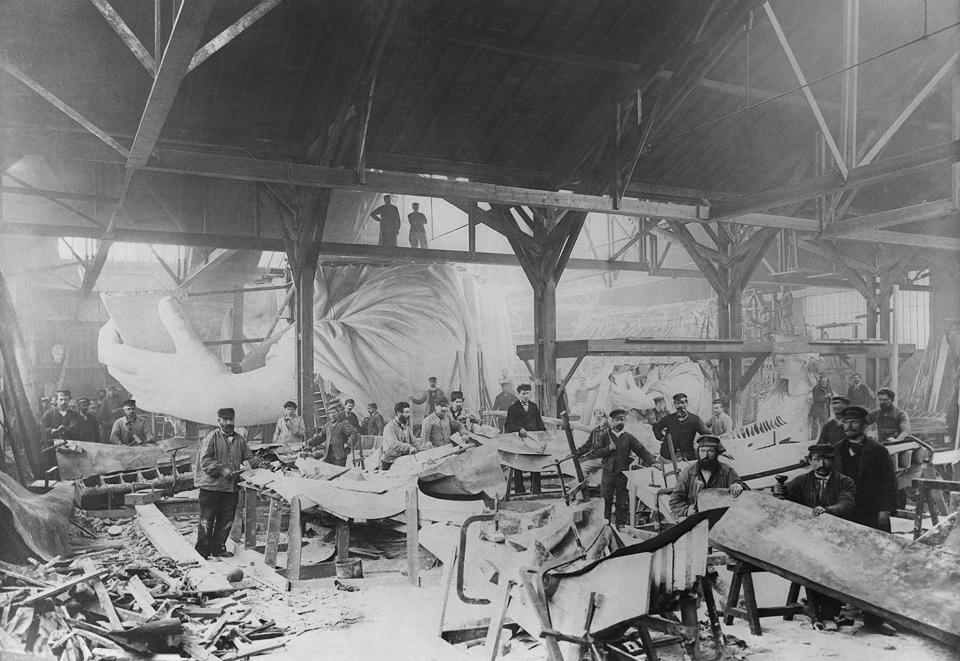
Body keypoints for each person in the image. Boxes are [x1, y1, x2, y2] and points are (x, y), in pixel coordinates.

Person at [775, 444, 857, 631]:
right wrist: (779, 498)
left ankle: (828, 613)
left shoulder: (845, 482)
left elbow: (846, 504)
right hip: (806, 539)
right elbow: (787, 508)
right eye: (817, 459)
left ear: (833, 461)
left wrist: (827, 511)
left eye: (826, 459)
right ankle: (819, 614)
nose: (822, 463)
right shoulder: (798, 482)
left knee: (831, 565)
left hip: (835, 538)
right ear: (810, 461)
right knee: (809, 562)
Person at [195, 407, 266, 559]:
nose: (228, 423)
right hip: (211, 488)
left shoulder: (240, 440)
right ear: (219, 421)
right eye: (225, 420)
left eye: (231, 419)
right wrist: (222, 470)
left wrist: (262, 463)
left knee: (226, 520)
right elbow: (205, 461)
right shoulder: (212, 437)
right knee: (207, 520)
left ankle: (219, 548)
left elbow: (248, 458)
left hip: (230, 488)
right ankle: (202, 552)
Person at [576, 409, 655, 525]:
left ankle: (620, 525)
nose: (619, 422)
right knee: (605, 501)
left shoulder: (628, 437)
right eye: (617, 420)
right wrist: (608, 449)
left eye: (622, 420)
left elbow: (640, 450)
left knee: (622, 502)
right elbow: (596, 452)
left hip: (623, 474)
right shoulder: (605, 436)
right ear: (611, 421)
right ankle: (605, 524)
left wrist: (653, 462)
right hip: (608, 474)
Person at [669, 436, 745, 519]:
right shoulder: (689, 472)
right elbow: (675, 501)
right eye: (703, 451)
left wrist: (738, 486)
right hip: (696, 520)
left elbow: (744, 491)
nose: (705, 455)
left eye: (710, 451)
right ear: (698, 452)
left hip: (721, 519)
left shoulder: (726, 470)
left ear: (716, 453)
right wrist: (686, 511)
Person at [504, 384, 546, 494]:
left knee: (535, 464)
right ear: (518, 394)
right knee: (518, 466)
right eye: (523, 393)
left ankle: (536, 490)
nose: (526, 396)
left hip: (534, 441)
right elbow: (508, 426)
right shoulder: (513, 408)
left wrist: (543, 435)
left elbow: (540, 423)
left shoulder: (533, 406)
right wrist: (519, 429)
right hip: (520, 442)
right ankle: (519, 491)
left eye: (528, 393)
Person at [652, 393, 710, 461]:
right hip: (667, 456)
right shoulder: (669, 418)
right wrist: (661, 437)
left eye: (682, 402)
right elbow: (656, 426)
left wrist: (720, 450)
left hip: (685, 457)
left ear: (687, 403)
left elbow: (707, 434)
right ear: (674, 405)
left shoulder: (695, 420)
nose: (680, 406)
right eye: (677, 403)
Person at [380, 402, 422, 470]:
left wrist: (421, 449)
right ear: (398, 413)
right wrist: (409, 447)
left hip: (403, 460)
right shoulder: (390, 427)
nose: (409, 415)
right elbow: (394, 443)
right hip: (389, 462)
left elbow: (414, 441)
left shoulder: (406, 426)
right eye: (407, 412)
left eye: (409, 412)